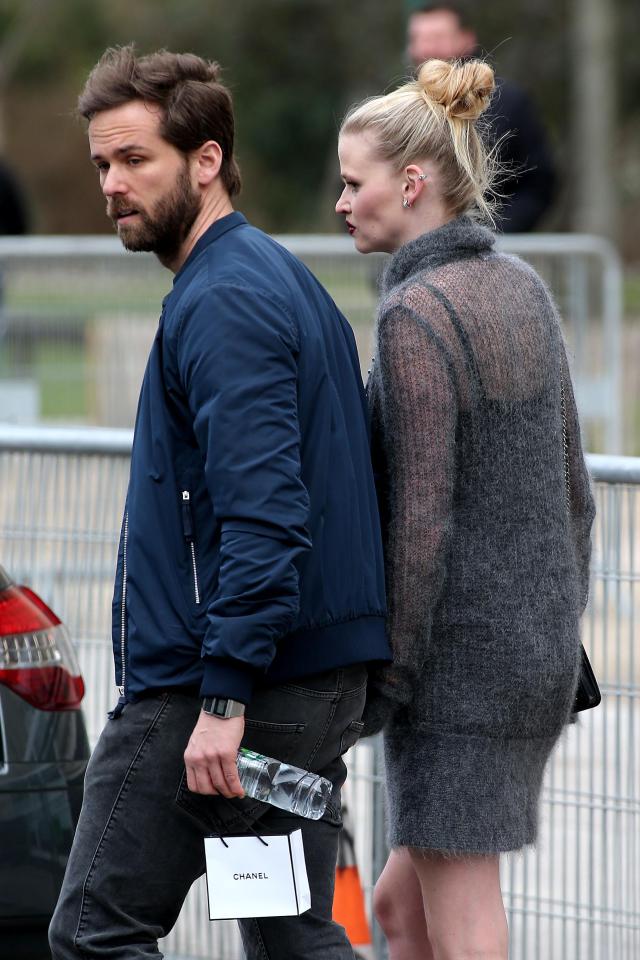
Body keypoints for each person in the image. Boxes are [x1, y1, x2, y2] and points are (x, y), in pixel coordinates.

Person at [49, 45, 391, 960]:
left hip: (222, 696)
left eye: (135, 160)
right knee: (293, 943)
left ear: (205, 160)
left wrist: (226, 695)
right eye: (101, 166)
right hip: (294, 687)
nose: (113, 184)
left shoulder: (228, 299)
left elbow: (267, 516)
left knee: (94, 933)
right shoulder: (264, 278)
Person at [335, 58, 595, 960]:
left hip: (455, 675)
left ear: (410, 185)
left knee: (466, 918)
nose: (341, 201)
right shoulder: (521, 288)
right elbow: (576, 495)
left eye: (353, 181)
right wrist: (557, 625)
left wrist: (391, 682)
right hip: (533, 656)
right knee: (401, 911)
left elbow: (420, 525)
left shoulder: (417, 313)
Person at [407, 2, 556, 232]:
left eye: (437, 37)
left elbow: (538, 184)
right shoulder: (397, 106)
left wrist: (490, 234)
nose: (426, 49)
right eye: (419, 38)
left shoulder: (510, 103)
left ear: (466, 38)